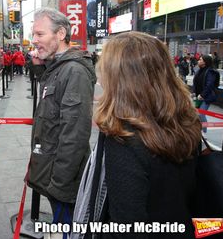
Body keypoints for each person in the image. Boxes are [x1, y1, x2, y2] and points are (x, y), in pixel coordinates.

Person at [72, 31, 201, 239]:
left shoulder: (123, 138)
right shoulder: (188, 121)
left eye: (105, 70)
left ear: (120, 80)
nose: (100, 76)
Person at [27, 8, 97, 237]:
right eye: (33, 34)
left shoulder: (74, 72)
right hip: (52, 177)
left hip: (63, 183)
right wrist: (40, 66)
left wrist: (58, 184)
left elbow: (74, 135)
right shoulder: (59, 68)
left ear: (60, 33)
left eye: (39, 34)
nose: (34, 40)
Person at [192, 55, 217, 135]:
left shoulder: (210, 72)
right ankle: (197, 130)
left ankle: (204, 132)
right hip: (197, 97)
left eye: (200, 60)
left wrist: (202, 95)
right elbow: (195, 83)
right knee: (195, 114)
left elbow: (209, 85)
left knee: (202, 114)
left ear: (205, 62)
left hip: (206, 97)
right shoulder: (199, 70)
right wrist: (194, 92)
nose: (198, 61)